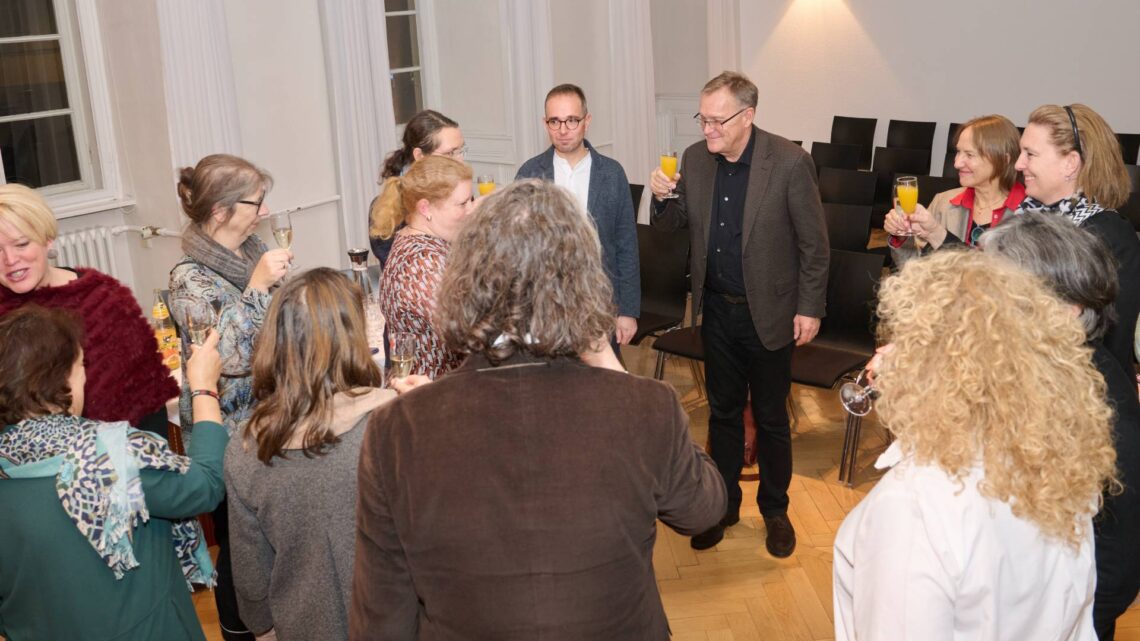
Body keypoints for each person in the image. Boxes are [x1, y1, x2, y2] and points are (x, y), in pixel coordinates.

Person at [349, 180, 725, 640]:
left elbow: (381, 617)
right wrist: (612, 365)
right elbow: (704, 511)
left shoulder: (395, 429)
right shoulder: (646, 407)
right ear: (583, 282)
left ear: (464, 280)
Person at [833, 249, 1117, 641]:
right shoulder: (1062, 464)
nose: (887, 353)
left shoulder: (916, 504)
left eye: (907, 338)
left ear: (934, 364)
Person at [649, 71, 829, 555]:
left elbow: (815, 245)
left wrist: (809, 308)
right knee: (723, 414)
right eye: (702, 119)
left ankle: (775, 511)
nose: (707, 129)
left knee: (770, 419)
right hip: (718, 314)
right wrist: (662, 197)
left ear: (747, 116)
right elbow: (671, 229)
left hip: (769, 313)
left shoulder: (790, 163)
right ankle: (722, 506)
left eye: (716, 120)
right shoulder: (694, 160)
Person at [0, 305, 227, 641]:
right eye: (80, 366)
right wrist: (205, 388)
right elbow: (204, 486)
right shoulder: (113, 459)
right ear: (61, 378)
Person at [983, 213, 1140, 641]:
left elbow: (1123, 559)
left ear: (1067, 310)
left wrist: (1062, 614)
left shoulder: (1104, 404)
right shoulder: (1031, 366)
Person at [226, 268, 394, 641]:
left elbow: (252, 578)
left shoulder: (245, 446)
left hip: (302, 627)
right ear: (353, 337)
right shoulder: (393, 427)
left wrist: (265, 629)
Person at [171, 153, 291, 641]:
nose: (263, 212)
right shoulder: (187, 279)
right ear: (221, 211)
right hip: (227, 428)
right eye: (255, 203)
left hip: (271, 415)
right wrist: (262, 287)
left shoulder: (252, 246)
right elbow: (232, 355)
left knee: (274, 542)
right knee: (241, 553)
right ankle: (237, 631)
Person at [0, 183, 178, 437]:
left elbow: (148, 400)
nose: (9, 260)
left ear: (48, 240)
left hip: (119, 457)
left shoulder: (103, 300)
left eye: (21, 244)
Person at [1014, 103, 1140, 374]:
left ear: (1070, 163)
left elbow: (1107, 347)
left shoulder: (1109, 235)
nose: (1018, 164)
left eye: (1030, 154)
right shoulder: (1025, 218)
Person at [515, 83, 640, 348]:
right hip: (544, 305)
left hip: (600, 301)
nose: (562, 130)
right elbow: (518, 246)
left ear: (587, 121)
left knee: (602, 383)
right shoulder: (530, 173)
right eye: (554, 121)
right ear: (545, 123)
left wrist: (627, 310)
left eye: (571, 120)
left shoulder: (612, 174)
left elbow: (626, 245)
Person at [375, 155, 475, 380]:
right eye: (462, 203)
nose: (471, 210)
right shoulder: (420, 263)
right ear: (425, 208)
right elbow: (466, 333)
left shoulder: (431, 244)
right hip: (431, 396)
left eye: (471, 200)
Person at [884, 115, 1026, 261]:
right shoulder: (943, 202)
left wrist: (938, 235)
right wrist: (901, 237)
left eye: (969, 155)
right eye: (958, 152)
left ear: (1003, 160)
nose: (957, 163)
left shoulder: (1029, 214)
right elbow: (914, 267)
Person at [370, 109, 465, 265]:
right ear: (420, 156)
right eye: (451, 153)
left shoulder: (458, 193)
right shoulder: (388, 211)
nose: (460, 160)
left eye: (461, 150)